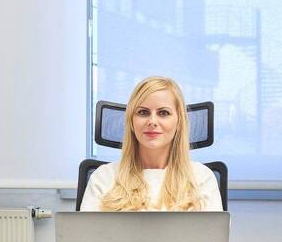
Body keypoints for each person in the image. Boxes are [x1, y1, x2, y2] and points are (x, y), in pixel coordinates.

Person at [80, 76, 223, 211]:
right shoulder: (103, 178)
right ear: (131, 121)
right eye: (143, 112)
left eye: (163, 113)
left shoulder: (201, 179)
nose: (152, 122)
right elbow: (86, 230)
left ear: (179, 122)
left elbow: (212, 230)